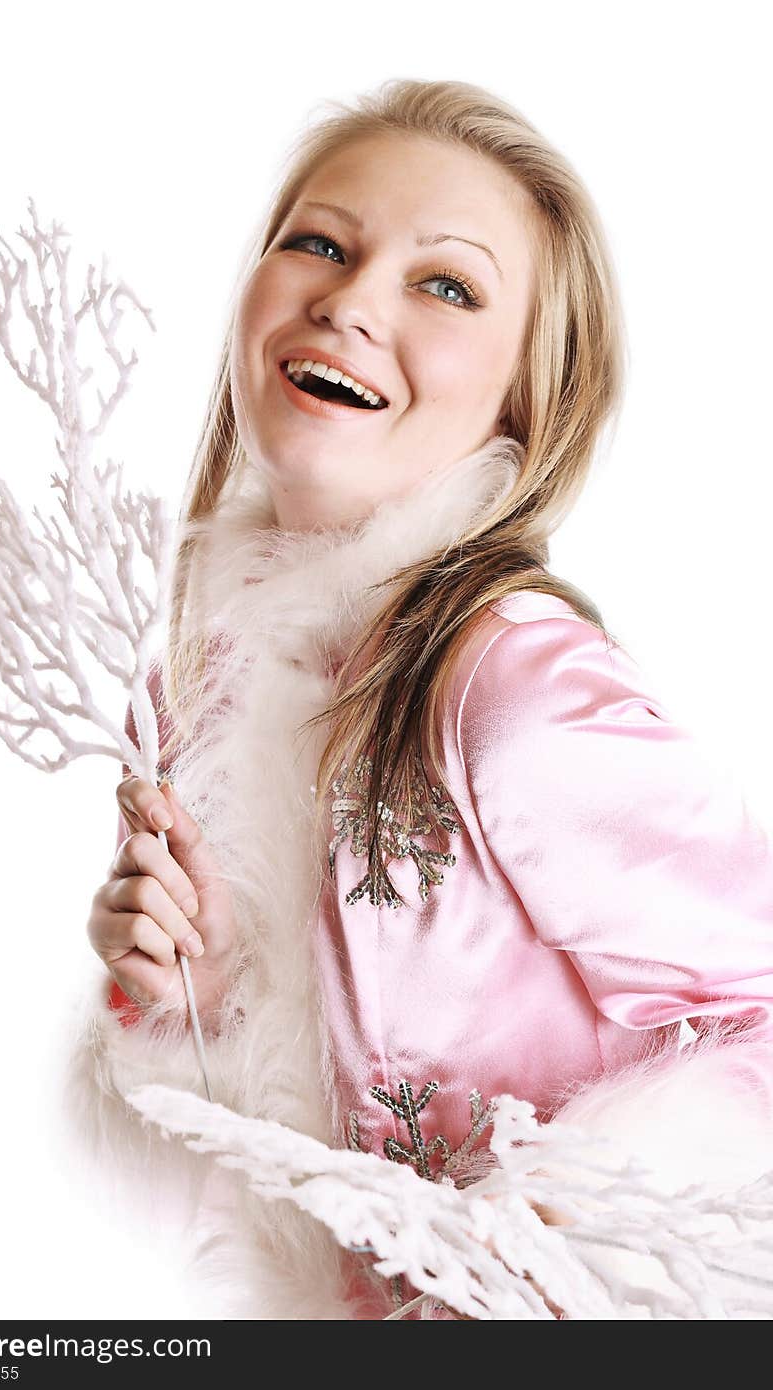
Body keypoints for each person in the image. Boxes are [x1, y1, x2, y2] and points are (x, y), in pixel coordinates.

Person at [65, 78, 773, 1320]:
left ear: (523, 399)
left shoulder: (507, 686)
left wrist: (570, 1222)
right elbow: (286, 1145)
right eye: (318, 244)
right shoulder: (194, 692)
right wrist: (186, 1008)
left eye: (444, 285)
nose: (347, 299)